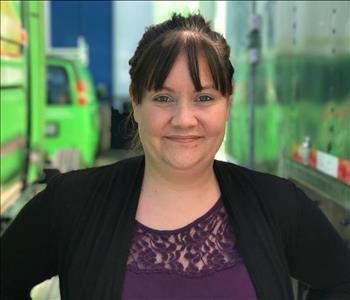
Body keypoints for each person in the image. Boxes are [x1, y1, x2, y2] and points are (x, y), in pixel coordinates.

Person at [1, 13, 350, 300]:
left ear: (228, 102)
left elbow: (339, 281)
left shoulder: (277, 203)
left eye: (204, 98)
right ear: (136, 103)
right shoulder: (72, 202)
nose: (184, 119)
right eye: (164, 98)